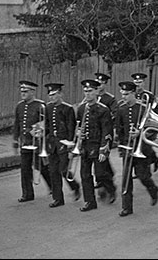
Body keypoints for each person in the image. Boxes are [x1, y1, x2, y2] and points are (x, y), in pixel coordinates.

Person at [116, 81, 158, 217]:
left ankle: (153, 190)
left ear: (134, 93)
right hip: (128, 148)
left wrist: (140, 133)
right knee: (126, 178)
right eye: (122, 94)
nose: (124, 97)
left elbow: (153, 129)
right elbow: (119, 128)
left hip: (142, 148)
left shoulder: (144, 108)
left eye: (127, 94)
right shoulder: (121, 108)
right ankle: (127, 207)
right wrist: (121, 145)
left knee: (143, 176)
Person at [77, 79, 116, 212]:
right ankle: (90, 201)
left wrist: (103, 150)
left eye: (90, 91)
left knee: (101, 173)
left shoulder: (103, 110)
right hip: (85, 147)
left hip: (98, 146)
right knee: (85, 175)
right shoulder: (82, 108)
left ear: (96, 92)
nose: (87, 94)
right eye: (85, 91)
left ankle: (111, 188)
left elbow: (107, 131)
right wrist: (78, 134)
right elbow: (79, 126)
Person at [12, 80, 52, 202]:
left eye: (26, 91)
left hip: (38, 143)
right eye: (22, 91)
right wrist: (15, 140)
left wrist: (38, 130)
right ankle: (27, 194)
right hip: (25, 143)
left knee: (42, 167)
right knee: (25, 169)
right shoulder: (19, 106)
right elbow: (17, 124)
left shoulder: (40, 105)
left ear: (32, 92)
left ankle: (52, 186)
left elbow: (47, 123)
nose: (23, 94)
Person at [43, 83, 81, 208]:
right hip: (52, 144)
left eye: (54, 94)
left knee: (63, 170)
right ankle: (58, 198)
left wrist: (70, 144)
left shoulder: (67, 108)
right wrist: (42, 133)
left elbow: (71, 127)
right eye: (50, 95)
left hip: (64, 144)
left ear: (60, 94)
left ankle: (75, 186)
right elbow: (47, 125)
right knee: (53, 171)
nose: (51, 97)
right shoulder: (48, 108)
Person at [94, 73, 117, 194]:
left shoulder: (109, 99)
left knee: (102, 157)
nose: (99, 85)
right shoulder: (92, 97)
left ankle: (106, 182)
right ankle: (104, 177)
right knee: (99, 158)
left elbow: (114, 114)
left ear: (105, 84)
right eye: (97, 82)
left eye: (101, 83)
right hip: (94, 134)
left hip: (105, 131)